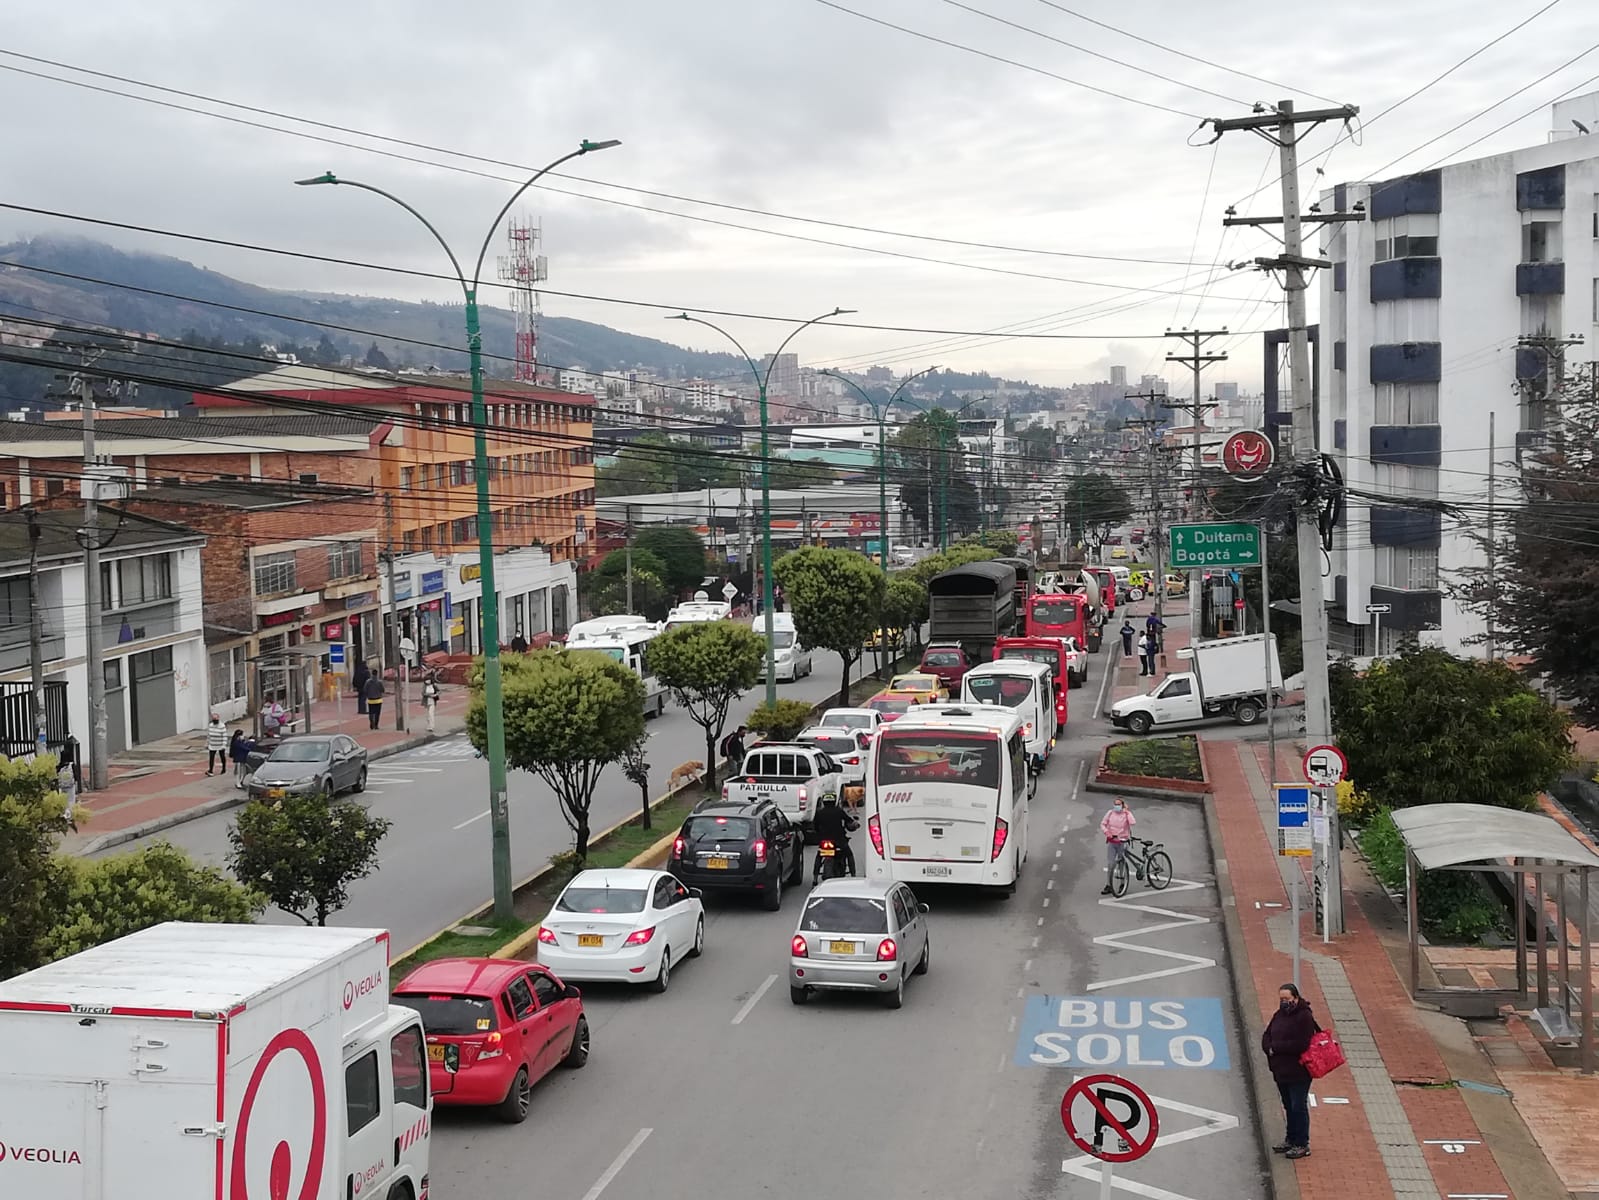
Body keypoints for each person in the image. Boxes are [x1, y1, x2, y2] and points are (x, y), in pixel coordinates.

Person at [1261, 982, 1318, 1159]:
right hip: (1281, 1071)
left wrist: (1275, 1048)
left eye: (1286, 998)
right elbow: (1267, 1034)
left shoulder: (1304, 1017)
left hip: (1298, 1071)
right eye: (1281, 999)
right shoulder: (1280, 1014)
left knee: (1298, 1106)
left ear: (1296, 997)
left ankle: (1302, 1143)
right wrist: (1268, 1046)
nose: (1283, 1002)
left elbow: (1301, 1044)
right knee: (1288, 1106)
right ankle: (1291, 1138)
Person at [812, 794, 859, 880]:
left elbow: (815, 827)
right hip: (839, 840)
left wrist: (819, 835)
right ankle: (853, 875)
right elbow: (849, 820)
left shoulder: (819, 812)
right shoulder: (839, 811)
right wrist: (855, 824)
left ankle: (815, 878)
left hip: (825, 840)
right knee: (849, 855)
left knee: (819, 857)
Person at [1100, 797, 1135, 895]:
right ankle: (1108, 885)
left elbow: (1132, 822)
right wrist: (1107, 832)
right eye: (1115, 804)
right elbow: (1103, 824)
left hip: (1122, 842)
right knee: (1111, 864)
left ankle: (1122, 883)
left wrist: (1127, 812)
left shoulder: (1126, 814)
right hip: (1112, 842)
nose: (1117, 806)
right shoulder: (1110, 813)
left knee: (1121, 863)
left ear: (1123, 805)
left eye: (1119, 804)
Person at [58, 738, 81, 832]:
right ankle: (69, 817)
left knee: (63, 802)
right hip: (70, 785)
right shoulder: (71, 765)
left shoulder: (60, 766)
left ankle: (64, 815)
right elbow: (76, 775)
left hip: (62, 785)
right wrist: (76, 780)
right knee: (71, 801)